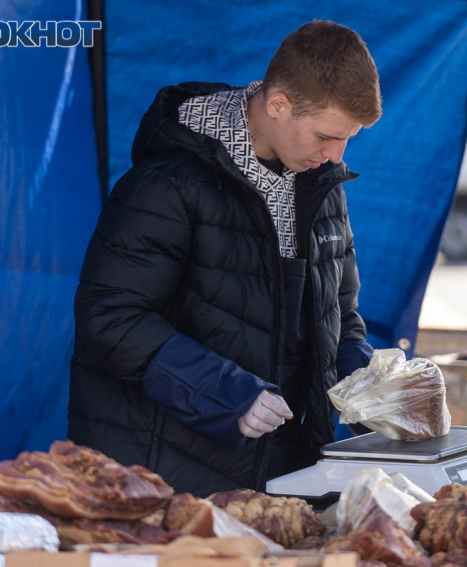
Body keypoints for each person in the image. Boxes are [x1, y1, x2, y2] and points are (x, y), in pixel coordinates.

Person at [68, 20, 381, 496]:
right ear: (278, 104)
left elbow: (340, 317)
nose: (335, 154)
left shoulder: (323, 185)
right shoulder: (167, 184)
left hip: (281, 478)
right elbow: (109, 318)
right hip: (163, 480)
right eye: (325, 135)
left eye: (347, 139)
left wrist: (370, 385)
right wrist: (225, 392)